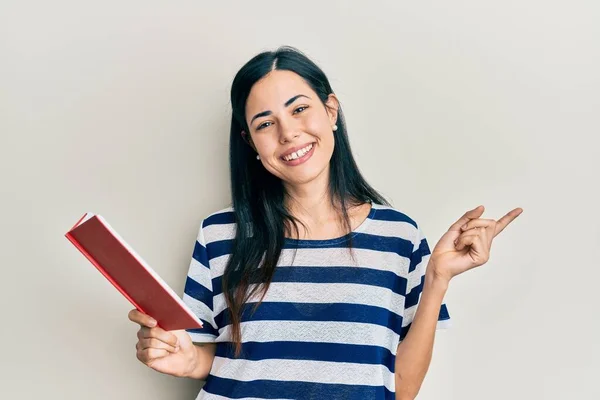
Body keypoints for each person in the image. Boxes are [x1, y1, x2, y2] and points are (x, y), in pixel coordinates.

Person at [127, 46, 522, 400]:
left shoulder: (399, 237)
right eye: (265, 124)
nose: (288, 133)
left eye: (299, 109)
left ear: (331, 111)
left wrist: (437, 279)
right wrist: (187, 361)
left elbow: (400, 389)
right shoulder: (220, 234)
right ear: (251, 142)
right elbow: (224, 363)